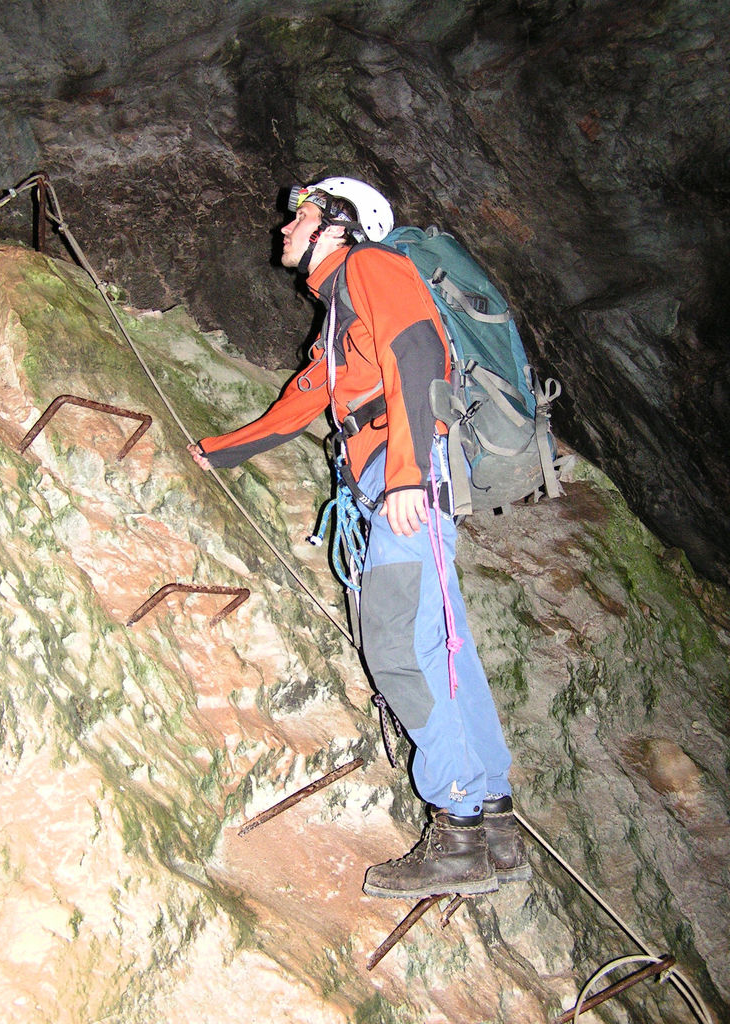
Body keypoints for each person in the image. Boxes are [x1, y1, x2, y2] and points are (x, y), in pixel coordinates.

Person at [188, 176, 530, 898]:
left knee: (399, 645)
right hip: (390, 475)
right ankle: (493, 823)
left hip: (406, 475)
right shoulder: (340, 312)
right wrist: (222, 449)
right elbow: (303, 401)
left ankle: (459, 825)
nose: (285, 226)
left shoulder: (373, 268)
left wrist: (405, 473)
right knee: (441, 645)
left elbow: (417, 357)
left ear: (339, 225)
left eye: (302, 214)